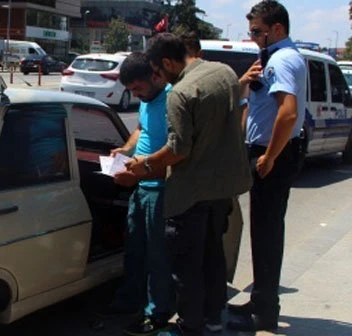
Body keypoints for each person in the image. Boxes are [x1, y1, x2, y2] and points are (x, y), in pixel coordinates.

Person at [126, 33, 252, 336]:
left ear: (167, 62)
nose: (158, 78)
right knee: (213, 259)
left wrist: (143, 165)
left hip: (191, 194)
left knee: (186, 267)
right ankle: (213, 320)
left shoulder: (180, 93)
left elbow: (178, 150)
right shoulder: (224, 73)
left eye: (157, 71)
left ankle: (189, 326)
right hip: (222, 189)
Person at [226, 1, 307, 332]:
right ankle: (261, 302)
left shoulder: (283, 60)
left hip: (273, 154)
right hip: (266, 150)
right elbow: (258, 105)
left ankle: (264, 313)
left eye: (258, 31)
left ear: (278, 29)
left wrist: (270, 156)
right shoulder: (271, 58)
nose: (254, 38)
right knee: (264, 231)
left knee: (267, 233)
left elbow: (287, 113)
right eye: (251, 32)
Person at [101, 51, 175, 336]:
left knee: (158, 257)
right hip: (141, 187)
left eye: (139, 88)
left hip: (160, 189)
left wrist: (138, 172)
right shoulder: (146, 100)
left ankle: (157, 314)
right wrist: (125, 150)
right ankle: (130, 300)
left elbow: (176, 152)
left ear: (155, 76)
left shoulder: (172, 101)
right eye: (130, 90)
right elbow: (141, 129)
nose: (136, 95)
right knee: (134, 250)